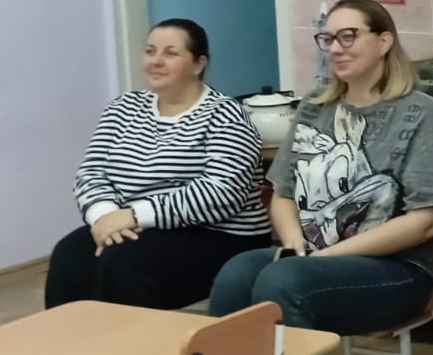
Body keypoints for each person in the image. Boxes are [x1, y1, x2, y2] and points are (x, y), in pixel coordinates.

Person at [209, 0, 433, 355]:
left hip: (396, 272)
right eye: (328, 38)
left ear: (384, 41)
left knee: (284, 282)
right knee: (237, 274)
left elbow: (426, 224)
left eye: (349, 36)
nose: (336, 48)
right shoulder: (315, 107)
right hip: (312, 259)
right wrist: (294, 243)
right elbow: (281, 193)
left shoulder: (420, 112)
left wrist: (315, 259)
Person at [47, 19, 269, 310]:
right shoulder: (122, 108)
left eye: (170, 53)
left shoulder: (226, 115)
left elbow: (221, 192)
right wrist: (105, 216)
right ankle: (74, 340)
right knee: (70, 255)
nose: (156, 61)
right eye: (150, 51)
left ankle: (136, 340)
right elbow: (91, 172)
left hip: (220, 234)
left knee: (124, 261)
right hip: (136, 226)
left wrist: (134, 216)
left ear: (198, 64)